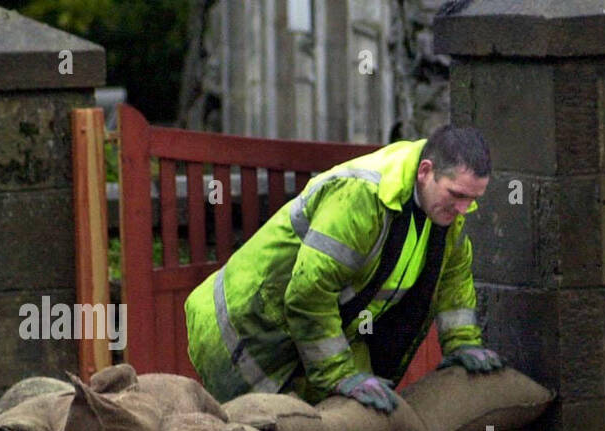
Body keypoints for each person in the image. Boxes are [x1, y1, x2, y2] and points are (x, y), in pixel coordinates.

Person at [185, 124, 504, 412]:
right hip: (244, 328)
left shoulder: (445, 214)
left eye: (473, 198)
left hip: (303, 333)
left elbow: (452, 281)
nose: (465, 208)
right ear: (425, 171)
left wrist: (463, 342)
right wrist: (339, 375)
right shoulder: (361, 197)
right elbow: (311, 293)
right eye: (457, 195)